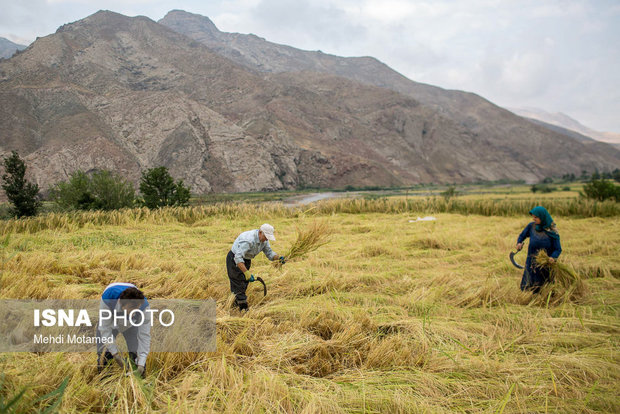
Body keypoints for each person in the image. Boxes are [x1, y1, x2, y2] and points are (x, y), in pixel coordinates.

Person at [96, 283, 151, 377]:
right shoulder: (107, 299)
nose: (135, 312)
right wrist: (116, 355)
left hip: (131, 325)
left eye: (137, 308)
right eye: (131, 308)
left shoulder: (144, 307)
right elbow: (105, 329)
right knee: (104, 354)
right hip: (111, 322)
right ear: (122, 304)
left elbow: (144, 335)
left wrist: (141, 363)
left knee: (135, 352)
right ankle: (104, 381)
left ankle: (139, 380)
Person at [227, 223, 285, 311]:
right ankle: (244, 309)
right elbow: (238, 258)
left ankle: (234, 305)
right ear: (260, 232)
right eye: (266, 236)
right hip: (234, 259)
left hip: (246, 260)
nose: (266, 239)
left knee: (243, 284)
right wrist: (246, 273)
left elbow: (269, 253)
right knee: (238, 284)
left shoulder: (264, 241)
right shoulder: (248, 240)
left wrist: (278, 258)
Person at [516, 206, 562, 293]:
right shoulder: (531, 227)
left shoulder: (552, 231)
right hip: (531, 262)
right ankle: (528, 301)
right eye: (533, 217)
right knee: (528, 287)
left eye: (536, 217)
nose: (533, 219)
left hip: (545, 264)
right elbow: (522, 236)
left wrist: (552, 257)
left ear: (542, 217)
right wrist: (519, 243)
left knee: (544, 289)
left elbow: (558, 249)